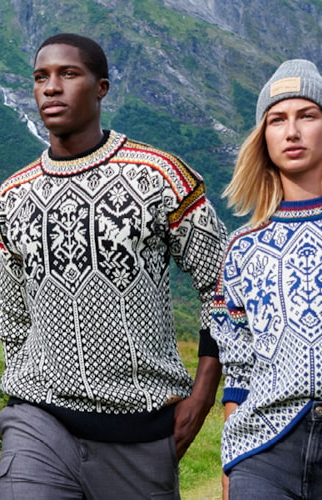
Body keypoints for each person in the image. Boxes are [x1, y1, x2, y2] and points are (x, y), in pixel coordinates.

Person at [0, 33, 227, 499]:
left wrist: (201, 398)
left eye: (68, 74)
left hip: (140, 434)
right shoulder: (12, 197)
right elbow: (13, 318)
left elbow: (222, 286)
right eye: (41, 77)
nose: (50, 88)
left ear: (101, 87)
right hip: (38, 422)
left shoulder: (161, 176)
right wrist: (24, 388)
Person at [211, 58, 322, 500]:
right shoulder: (241, 247)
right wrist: (231, 463)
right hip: (265, 453)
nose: (291, 132)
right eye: (277, 120)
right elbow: (238, 368)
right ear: (264, 138)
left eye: (307, 116)